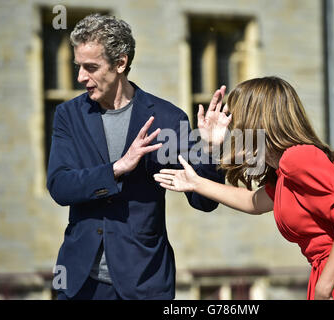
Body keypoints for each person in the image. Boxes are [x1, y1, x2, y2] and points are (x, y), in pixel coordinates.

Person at [154, 76, 334, 300]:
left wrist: (324, 288)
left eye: (235, 117)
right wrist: (196, 182)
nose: (231, 126)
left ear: (256, 119)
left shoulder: (299, 158)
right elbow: (253, 202)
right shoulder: (285, 171)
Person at [46, 13, 224, 300]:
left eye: (90, 67)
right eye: (78, 66)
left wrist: (211, 149)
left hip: (145, 283)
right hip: (80, 282)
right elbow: (60, 186)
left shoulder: (166, 117)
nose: (80, 77)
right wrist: (117, 167)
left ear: (120, 63)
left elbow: (204, 201)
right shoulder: (69, 115)